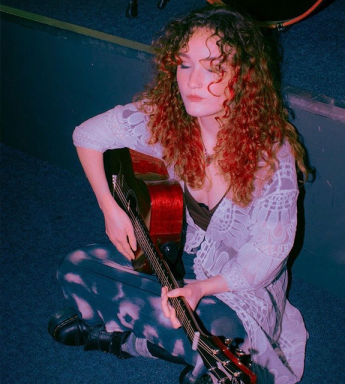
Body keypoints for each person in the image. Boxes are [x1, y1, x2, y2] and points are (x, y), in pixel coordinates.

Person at [48, 5, 310, 384]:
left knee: (211, 323)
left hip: (235, 289)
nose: (192, 81)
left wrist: (200, 289)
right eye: (185, 65)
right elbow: (86, 136)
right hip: (177, 258)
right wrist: (110, 208)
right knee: (74, 267)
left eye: (213, 67)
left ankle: (129, 340)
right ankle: (190, 350)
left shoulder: (272, 158)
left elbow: (264, 261)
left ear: (245, 76)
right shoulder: (167, 119)